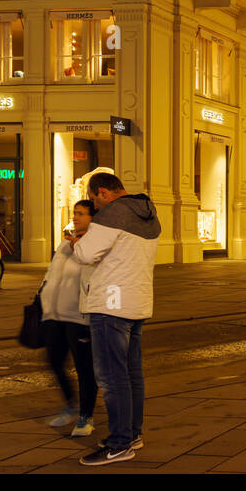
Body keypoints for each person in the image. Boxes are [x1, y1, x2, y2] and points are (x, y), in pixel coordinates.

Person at [73, 173, 161, 466]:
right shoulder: (148, 213)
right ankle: (132, 433)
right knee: (132, 374)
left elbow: (85, 254)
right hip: (137, 302)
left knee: (112, 378)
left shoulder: (111, 213)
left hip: (110, 305)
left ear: (103, 193)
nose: (94, 206)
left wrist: (78, 242)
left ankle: (120, 444)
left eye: (95, 199)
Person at [42, 199, 98, 437]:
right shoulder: (65, 244)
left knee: (85, 369)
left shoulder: (94, 246)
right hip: (54, 315)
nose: (75, 217)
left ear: (93, 218)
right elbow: (53, 275)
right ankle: (70, 405)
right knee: (54, 362)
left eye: (81, 214)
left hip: (79, 317)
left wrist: (80, 247)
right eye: (75, 213)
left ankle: (86, 416)